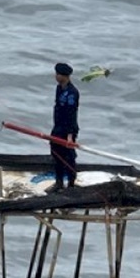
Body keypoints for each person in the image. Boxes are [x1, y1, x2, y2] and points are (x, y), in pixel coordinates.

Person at [47, 62, 79, 193]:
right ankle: (59, 182)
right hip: (58, 127)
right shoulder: (59, 88)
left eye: (58, 74)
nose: (56, 76)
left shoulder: (72, 93)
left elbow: (72, 114)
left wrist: (70, 136)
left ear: (64, 76)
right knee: (55, 152)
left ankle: (71, 183)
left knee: (68, 155)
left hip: (68, 129)